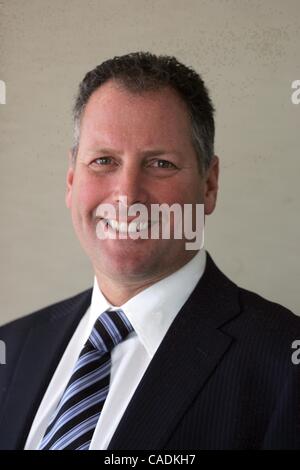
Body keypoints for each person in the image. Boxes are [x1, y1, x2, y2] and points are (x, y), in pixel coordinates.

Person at [0, 52, 299, 450]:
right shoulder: (13, 346)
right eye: (103, 161)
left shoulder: (283, 366)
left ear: (208, 186)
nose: (127, 196)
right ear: (72, 181)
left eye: (159, 163)